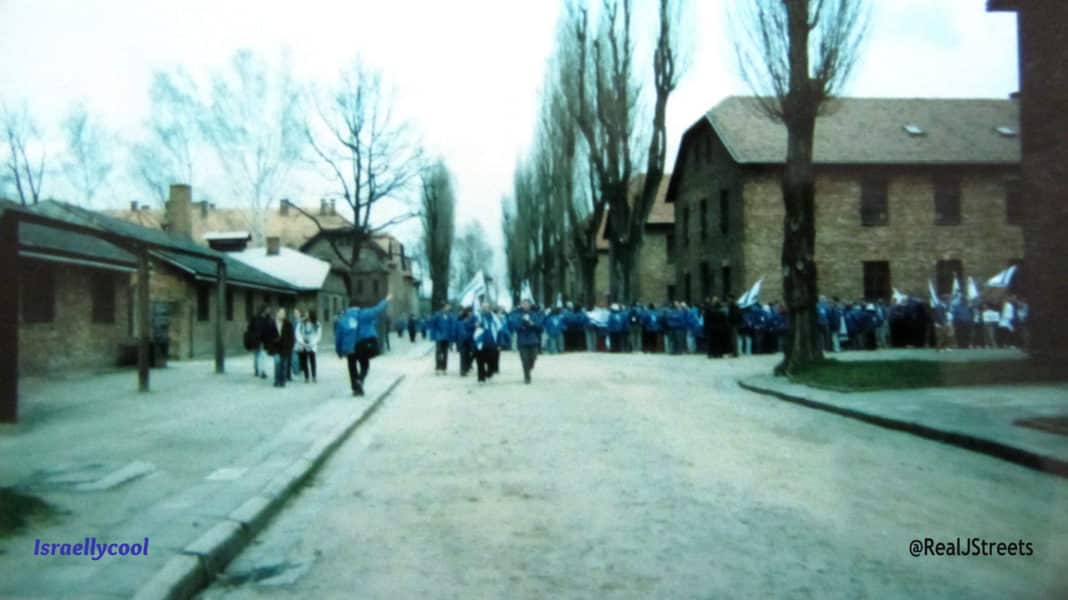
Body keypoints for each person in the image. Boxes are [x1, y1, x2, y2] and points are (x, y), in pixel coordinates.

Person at [335, 294, 392, 396]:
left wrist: (339, 351)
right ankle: (360, 380)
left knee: (351, 366)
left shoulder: (343, 318)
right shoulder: (364, 314)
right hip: (363, 344)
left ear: (349, 306)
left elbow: (338, 336)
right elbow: (377, 310)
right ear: (359, 306)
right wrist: (386, 300)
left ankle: (356, 388)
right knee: (364, 364)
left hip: (350, 347)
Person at [264, 307, 295, 388]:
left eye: (283, 313)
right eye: (280, 313)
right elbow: (268, 336)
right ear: (277, 314)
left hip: (285, 347)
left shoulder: (288, 324)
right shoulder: (272, 323)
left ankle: (283, 381)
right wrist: (271, 344)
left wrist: (290, 347)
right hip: (275, 348)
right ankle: (277, 380)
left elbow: (291, 337)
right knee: (277, 363)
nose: (282, 315)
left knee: (284, 364)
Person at [514, 299, 543, 384]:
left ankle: (528, 368)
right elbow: (515, 326)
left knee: (533, 358)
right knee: (524, 359)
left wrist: (533, 324)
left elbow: (540, 327)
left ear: (530, 305)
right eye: (524, 304)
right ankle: (527, 376)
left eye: (527, 304)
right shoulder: (517, 315)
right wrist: (522, 323)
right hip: (522, 341)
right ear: (521, 305)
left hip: (533, 340)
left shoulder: (534, 314)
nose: (526, 306)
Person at [474, 302, 503, 383]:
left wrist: (499, 343)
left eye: (486, 307)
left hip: (492, 343)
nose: (485, 309)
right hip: (480, 343)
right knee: (480, 361)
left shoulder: (494, 318)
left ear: (489, 308)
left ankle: (489, 373)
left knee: (492, 360)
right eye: (483, 307)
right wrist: (474, 325)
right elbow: (469, 326)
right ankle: (481, 378)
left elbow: (500, 331)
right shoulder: (477, 317)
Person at [296, 309, 322, 383]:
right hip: (303, 344)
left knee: (312, 361)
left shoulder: (317, 324)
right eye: (305, 314)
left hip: (312, 344)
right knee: (304, 362)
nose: (306, 315)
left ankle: (314, 376)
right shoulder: (301, 323)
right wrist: (301, 341)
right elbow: (297, 332)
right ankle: (306, 377)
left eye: (307, 313)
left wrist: (313, 343)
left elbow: (318, 335)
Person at [430, 304, 454, 374]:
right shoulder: (438, 315)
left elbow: (452, 325)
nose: (448, 309)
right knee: (438, 352)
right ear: (443, 308)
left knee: (445, 353)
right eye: (447, 307)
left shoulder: (450, 316)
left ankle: (444, 368)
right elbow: (432, 323)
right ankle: (437, 367)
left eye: (449, 308)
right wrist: (435, 332)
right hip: (439, 336)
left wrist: (451, 336)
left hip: (446, 337)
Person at [251, 305, 271, 379]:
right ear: (264, 310)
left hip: (264, 340)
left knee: (262, 356)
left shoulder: (268, 318)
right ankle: (258, 370)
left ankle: (261, 371)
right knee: (258, 356)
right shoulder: (256, 318)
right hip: (257, 339)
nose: (269, 311)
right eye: (268, 309)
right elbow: (251, 328)